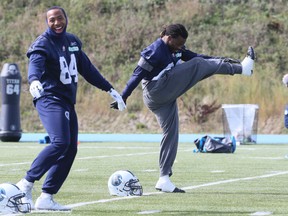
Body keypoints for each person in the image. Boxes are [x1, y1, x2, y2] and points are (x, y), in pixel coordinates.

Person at [111, 23, 255, 193]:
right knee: (198, 65)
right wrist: (124, 96)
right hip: (156, 90)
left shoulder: (177, 48)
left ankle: (163, 178)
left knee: (171, 133)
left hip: (164, 97)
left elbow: (198, 57)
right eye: (178, 44)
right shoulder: (154, 51)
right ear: (169, 38)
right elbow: (137, 75)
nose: (180, 47)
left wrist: (227, 60)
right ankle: (242, 70)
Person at [16, 6, 126, 211]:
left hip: (66, 100)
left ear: (66, 18)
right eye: (52, 20)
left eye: (60, 18)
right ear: (46, 22)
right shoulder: (43, 43)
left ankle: (46, 197)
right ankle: (25, 184)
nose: (57, 23)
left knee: (70, 148)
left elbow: (87, 69)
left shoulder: (72, 42)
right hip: (49, 97)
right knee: (60, 142)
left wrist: (110, 89)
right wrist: (33, 80)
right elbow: (36, 64)